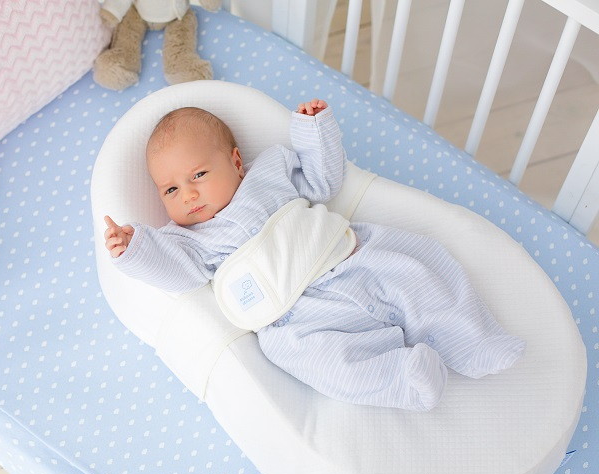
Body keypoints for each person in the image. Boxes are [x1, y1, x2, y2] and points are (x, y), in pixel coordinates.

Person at [103, 99, 524, 411]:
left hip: (350, 260)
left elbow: (323, 181)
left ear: (236, 162)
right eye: (171, 189)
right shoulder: (189, 240)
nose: (188, 194)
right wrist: (135, 248)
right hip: (299, 319)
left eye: (198, 174)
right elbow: (177, 273)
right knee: (319, 362)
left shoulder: (270, 174)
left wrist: (313, 131)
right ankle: (401, 377)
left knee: (418, 271)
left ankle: (473, 341)